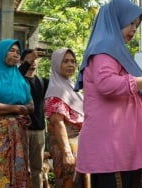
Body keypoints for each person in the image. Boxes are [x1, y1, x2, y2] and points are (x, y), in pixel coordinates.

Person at [74, 0, 142, 187]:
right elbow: (106, 83)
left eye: (137, 25)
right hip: (111, 149)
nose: (134, 29)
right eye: (131, 23)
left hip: (118, 148)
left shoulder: (113, 50)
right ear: (116, 20)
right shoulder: (104, 50)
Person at [0, 39, 34, 187]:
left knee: (18, 171)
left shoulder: (20, 79)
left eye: (18, 52)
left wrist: (25, 109)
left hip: (18, 134)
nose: (16, 54)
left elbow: (30, 104)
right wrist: (14, 108)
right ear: (1, 53)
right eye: (11, 50)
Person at [44, 48, 88, 188]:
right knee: (67, 180)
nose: (71, 65)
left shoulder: (71, 87)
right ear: (57, 64)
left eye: (73, 61)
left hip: (77, 142)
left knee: (79, 181)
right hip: (64, 144)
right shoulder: (56, 89)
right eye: (65, 61)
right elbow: (58, 123)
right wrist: (67, 152)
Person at [19, 48, 49, 188]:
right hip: (21, 130)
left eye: (36, 59)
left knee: (37, 169)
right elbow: (18, 73)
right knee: (20, 167)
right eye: (30, 58)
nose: (33, 62)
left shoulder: (43, 82)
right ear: (22, 61)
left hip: (39, 131)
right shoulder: (17, 80)